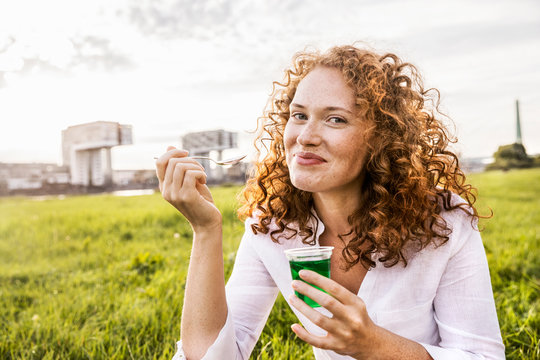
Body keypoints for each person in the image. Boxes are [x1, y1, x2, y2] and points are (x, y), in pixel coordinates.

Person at [156, 45, 505, 360]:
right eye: (299, 115)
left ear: (381, 139)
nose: (305, 137)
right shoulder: (274, 226)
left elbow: (481, 356)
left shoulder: (443, 222)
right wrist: (205, 229)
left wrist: (375, 345)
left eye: (335, 119)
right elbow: (214, 357)